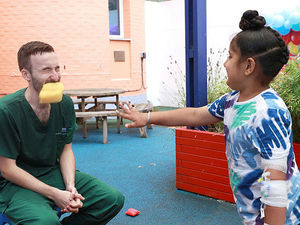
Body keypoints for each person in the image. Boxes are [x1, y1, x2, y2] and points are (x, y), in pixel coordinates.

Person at [117, 10, 300, 225]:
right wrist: (147, 118)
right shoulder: (233, 100)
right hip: (253, 212)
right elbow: (195, 114)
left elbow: (276, 182)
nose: (224, 63)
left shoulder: (269, 112)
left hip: (280, 217)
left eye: (230, 56)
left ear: (249, 66)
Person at [0, 41, 125, 225]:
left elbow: (66, 150)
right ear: (26, 74)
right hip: (17, 184)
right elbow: (7, 169)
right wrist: (55, 194)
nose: (56, 76)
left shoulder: (64, 104)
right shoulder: (7, 110)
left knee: (111, 199)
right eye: (46, 70)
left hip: (52, 172)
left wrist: (70, 186)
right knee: (46, 222)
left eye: (58, 68)